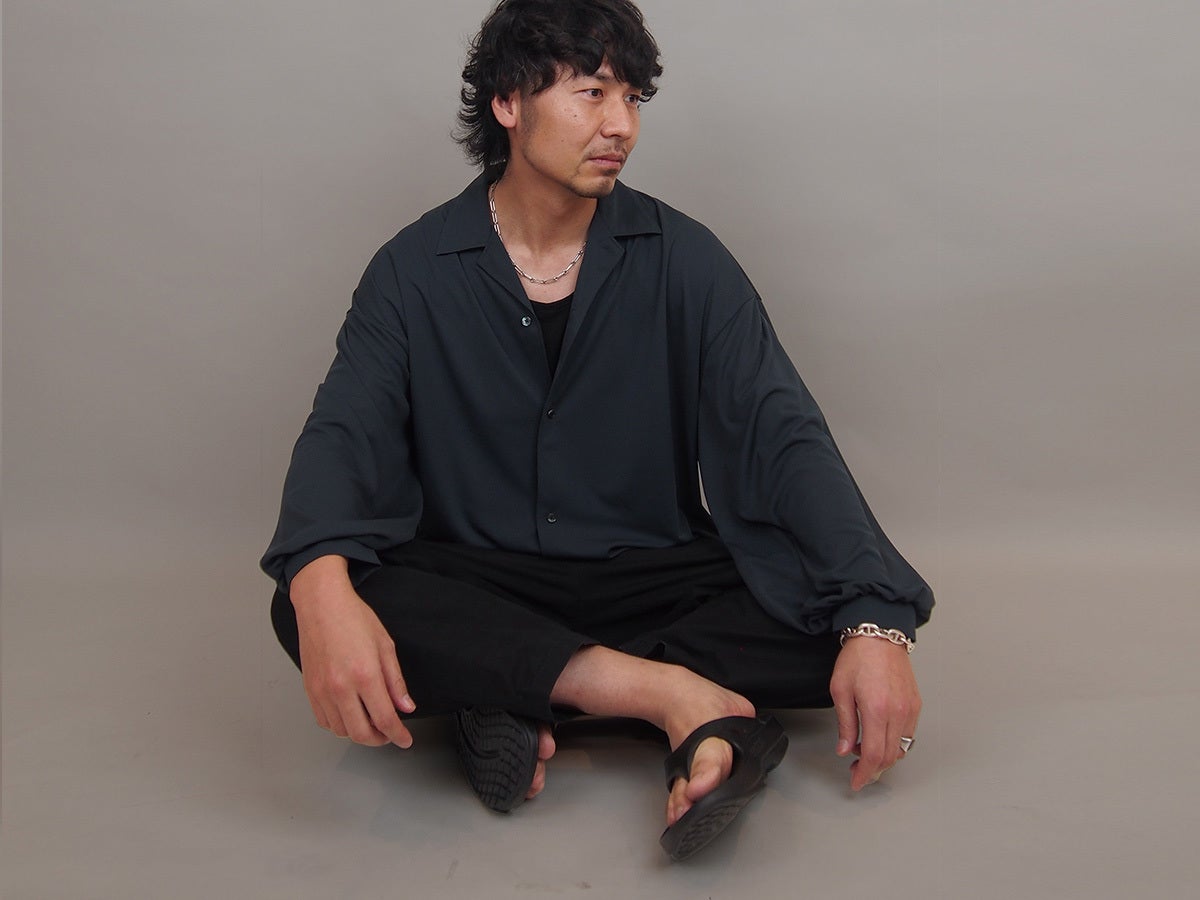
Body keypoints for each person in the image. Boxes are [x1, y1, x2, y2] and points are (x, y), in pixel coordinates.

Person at [262, 0, 933, 861]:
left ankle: (509, 689)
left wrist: (875, 624)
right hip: (477, 575)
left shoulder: (686, 259)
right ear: (509, 101)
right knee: (314, 597)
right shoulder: (412, 271)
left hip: (651, 577)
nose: (621, 125)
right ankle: (677, 701)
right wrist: (321, 592)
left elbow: (783, 435)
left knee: (823, 606)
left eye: (633, 99)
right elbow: (341, 437)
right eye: (592, 93)